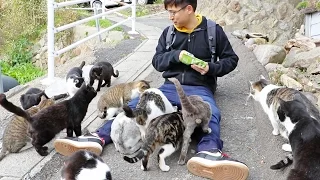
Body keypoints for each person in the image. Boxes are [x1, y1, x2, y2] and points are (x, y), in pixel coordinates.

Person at [54, 0, 249, 179]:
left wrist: (210, 68)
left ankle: (209, 152)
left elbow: (231, 60)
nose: (170, 17)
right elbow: (157, 61)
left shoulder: (213, 31)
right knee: (135, 105)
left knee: (210, 112)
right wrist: (175, 56)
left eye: (173, 12)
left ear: (189, 9)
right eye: (168, 12)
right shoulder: (169, 33)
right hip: (169, 86)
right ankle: (98, 137)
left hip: (199, 88)